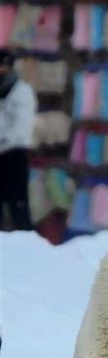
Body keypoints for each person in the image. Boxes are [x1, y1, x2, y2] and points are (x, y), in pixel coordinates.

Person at [0, 49, 36, 231]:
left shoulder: (21, 91)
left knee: (18, 204)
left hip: (14, 152)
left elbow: (22, 127)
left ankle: (27, 243)